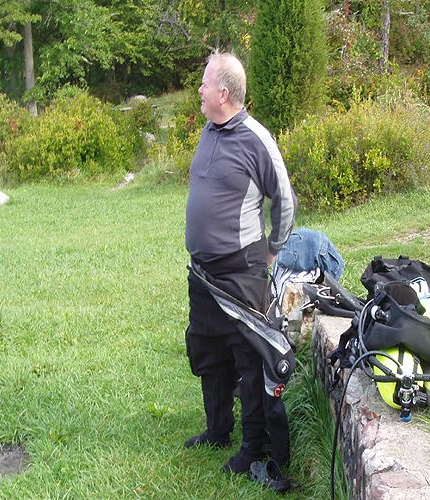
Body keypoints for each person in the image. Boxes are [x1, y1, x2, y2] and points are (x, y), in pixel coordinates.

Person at [184, 50, 296, 475]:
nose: (200, 88)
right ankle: (217, 429)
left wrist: (273, 248)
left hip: (241, 272)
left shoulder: (257, 139)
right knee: (207, 349)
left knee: (249, 361)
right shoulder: (209, 131)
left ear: (224, 92)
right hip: (203, 273)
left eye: (206, 82)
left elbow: (284, 199)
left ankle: (252, 446)